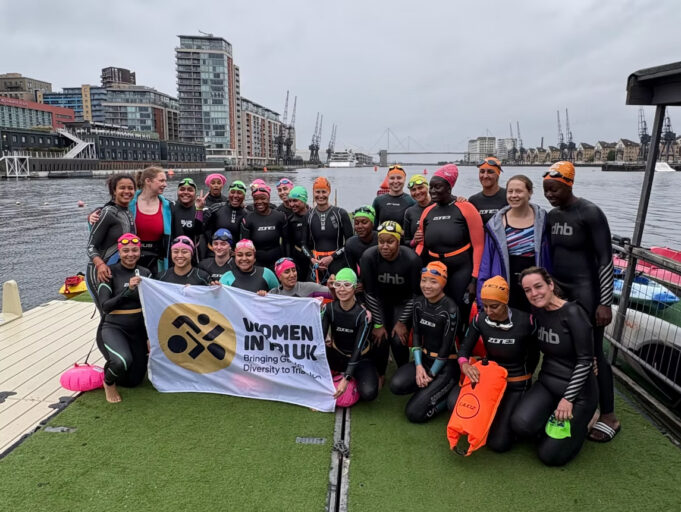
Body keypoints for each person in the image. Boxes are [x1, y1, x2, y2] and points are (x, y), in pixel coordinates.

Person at [543, 161, 619, 442]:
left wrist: (605, 302)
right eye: (546, 190)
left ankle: (609, 414)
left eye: (554, 190)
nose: (550, 195)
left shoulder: (589, 213)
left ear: (568, 184)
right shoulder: (552, 216)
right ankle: (578, 402)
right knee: (566, 349)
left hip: (588, 291)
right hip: (561, 291)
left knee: (593, 352)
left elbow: (605, 259)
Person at [511, 267, 598, 466]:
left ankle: (586, 421)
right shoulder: (538, 311)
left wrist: (568, 399)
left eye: (538, 286)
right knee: (520, 425)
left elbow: (585, 360)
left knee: (549, 456)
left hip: (578, 394)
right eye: (528, 290)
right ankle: (551, 417)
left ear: (550, 285)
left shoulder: (574, 313)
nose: (534, 293)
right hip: (548, 383)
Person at [450, 276, 539, 452]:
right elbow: (464, 350)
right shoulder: (480, 320)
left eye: (494, 306)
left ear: (505, 302)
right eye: (485, 305)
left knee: (499, 444)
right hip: (489, 381)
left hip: (516, 383)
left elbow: (536, 355)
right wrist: (465, 365)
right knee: (453, 403)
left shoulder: (527, 321)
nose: (489, 311)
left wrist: (527, 378)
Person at [390, 261, 459, 422]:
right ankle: (428, 390)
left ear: (443, 283)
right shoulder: (419, 303)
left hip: (445, 366)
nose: (427, 286)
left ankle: (444, 399)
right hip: (425, 361)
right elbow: (416, 337)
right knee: (396, 385)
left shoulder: (450, 309)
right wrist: (419, 366)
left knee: (414, 414)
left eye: (433, 282)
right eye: (424, 280)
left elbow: (446, 348)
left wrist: (431, 373)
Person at [418, 164, 484, 328]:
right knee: (436, 309)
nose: (432, 191)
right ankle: (440, 347)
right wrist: (412, 262)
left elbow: (479, 245)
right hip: (434, 267)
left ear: (449, 187)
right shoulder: (428, 211)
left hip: (460, 268)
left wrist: (475, 279)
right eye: (431, 187)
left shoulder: (466, 208)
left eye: (437, 187)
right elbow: (421, 245)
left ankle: (461, 348)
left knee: (459, 310)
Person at [478, 175, 551, 312]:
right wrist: (482, 296)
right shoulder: (496, 224)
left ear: (529, 193)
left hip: (536, 282)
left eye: (518, 191)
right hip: (506, 280)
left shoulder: (543, 220)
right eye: (510, 191)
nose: (514, 195)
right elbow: (486, 262)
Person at [360, 220, 421, 377]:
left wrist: (401, 322)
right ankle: (380, 374)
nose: (385, 246)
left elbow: (416, 295)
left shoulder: (412, 259)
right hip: (379, 302)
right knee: (379, 337)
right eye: (381, 241)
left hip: (403, 302)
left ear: (398, 241)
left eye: (390, 242)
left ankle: (403, 371)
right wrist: (379, 324)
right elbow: (370, 293)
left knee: (397, 338)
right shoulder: (369, 257)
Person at [96, 233, 152, 403]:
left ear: (139, 251)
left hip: (137, 330)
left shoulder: (145, 272)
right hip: (114, 327)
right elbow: (105, 306)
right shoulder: (108, 272)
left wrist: (149, 336)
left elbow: (152, 305)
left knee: (133, 382)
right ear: (119, 253)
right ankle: (108, 382)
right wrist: (128, 291)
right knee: (122, 361)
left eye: (134, 250)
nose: (130, 254)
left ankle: (110, 367)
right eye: (125, 250)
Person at [322, 268, 379, 403]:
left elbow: (358, 349)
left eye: (347, 285)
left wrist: (346, 378)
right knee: (315, 351)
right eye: (338, 285)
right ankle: (342, 374)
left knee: (369, 394)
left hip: (360, 359)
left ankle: (349, 378)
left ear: (354, 287)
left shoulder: (363, 315)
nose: (342, 289)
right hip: (337, 354)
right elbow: (319, 339)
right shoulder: (329, 309)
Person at [86, 174, 136, 313]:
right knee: (106, 316)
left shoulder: (127, 212)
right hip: (101, 272)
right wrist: (100, 264)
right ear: (114, 190)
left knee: (118, 314)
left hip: (118, 272)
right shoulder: (107, 213)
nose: (127, 191)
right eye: (122, 188)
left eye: (130, 188)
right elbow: (90, 246)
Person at [130, 166, 177, 274]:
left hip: (158, 259)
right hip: (132, 257)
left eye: (165, 181)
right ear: (148, 181)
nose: (165, 184)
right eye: (161, 181)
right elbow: (111, 210)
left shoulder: (168, 207)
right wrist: (94, 214)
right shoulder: (130, 204)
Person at [306, 177, 353, 282]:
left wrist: (332, 257)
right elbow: (303, 244)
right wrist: (312, 259)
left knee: (338, 294)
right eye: (317, 192)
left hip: (337, 262)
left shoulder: (341, 213)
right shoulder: (308, 215)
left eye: (324, 192)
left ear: (329, 192)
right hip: (316, 263)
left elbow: (349, 242)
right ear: (313, 192)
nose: (321, 195)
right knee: (317, 296)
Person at [241, 182, 288, 270]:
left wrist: (287, 259)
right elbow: (245, 246)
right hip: (257, 263)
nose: (259, 202)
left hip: (277, 261)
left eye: (263, 198)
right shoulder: (248, 219)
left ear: (269, 198)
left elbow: (287, 242)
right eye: (256, 199)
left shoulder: (279, 216)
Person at [203, 179, 248, 244]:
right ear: (228, 194)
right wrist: (199, 209)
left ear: (244, 196)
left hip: (237, 252)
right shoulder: (216, 208)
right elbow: (200, 230)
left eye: (239, 193)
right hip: (216, 250)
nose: (235, 196)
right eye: (232, 192)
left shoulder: (247, 213)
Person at [173, 177, 207, 257]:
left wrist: (199, 209)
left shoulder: (203, 210)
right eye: (182, 189)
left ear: (195, 193)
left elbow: (199, 232)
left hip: (194, 254)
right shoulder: (170, 207)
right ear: (177, 192)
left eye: (190, 190)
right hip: (174, 253)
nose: (185, 192)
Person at [469, 157, 508, 225]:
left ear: (498, 175)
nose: (485, 176)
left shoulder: (508, 197)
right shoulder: (473, 200)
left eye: (490, 172)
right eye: (482, 171)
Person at [286, 186, 312, 280]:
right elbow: (288, 242)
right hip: (298, 257)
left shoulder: (314, 215)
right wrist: (289, 259)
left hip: (314, 256)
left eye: (295, 201)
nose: (292, 204)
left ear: (304, 200)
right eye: (290, 201)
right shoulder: (290, 220)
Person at [342, 206, 378, 275]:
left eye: (364, 222)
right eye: (356, 223)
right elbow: (351, 271)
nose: (360, 226)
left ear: (372, 224)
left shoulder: (381, 240)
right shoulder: (351, 244)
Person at [403, 174, 431, 249]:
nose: (417, 192)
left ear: (427, 188)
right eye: (413, 190)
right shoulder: (409, 212)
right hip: (419, 256)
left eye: (420, 188)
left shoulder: (439, 205)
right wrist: (414, 241)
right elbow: (406, 241)